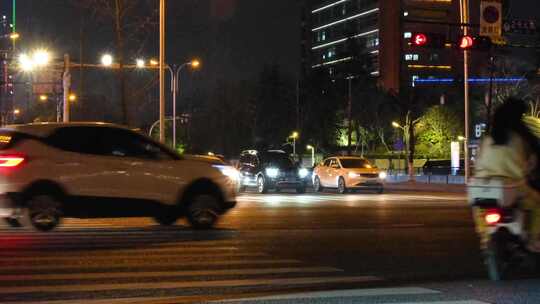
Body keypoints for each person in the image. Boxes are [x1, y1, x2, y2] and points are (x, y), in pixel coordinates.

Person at [474, 97, 540, 251]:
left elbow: (478, 163)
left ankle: (484, 237)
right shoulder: (519, 139)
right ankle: (534, 240)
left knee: (479, 208)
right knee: (537, 204)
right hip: (512, 186)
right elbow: (530, 162)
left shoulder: (488, 139)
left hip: (485, 186)